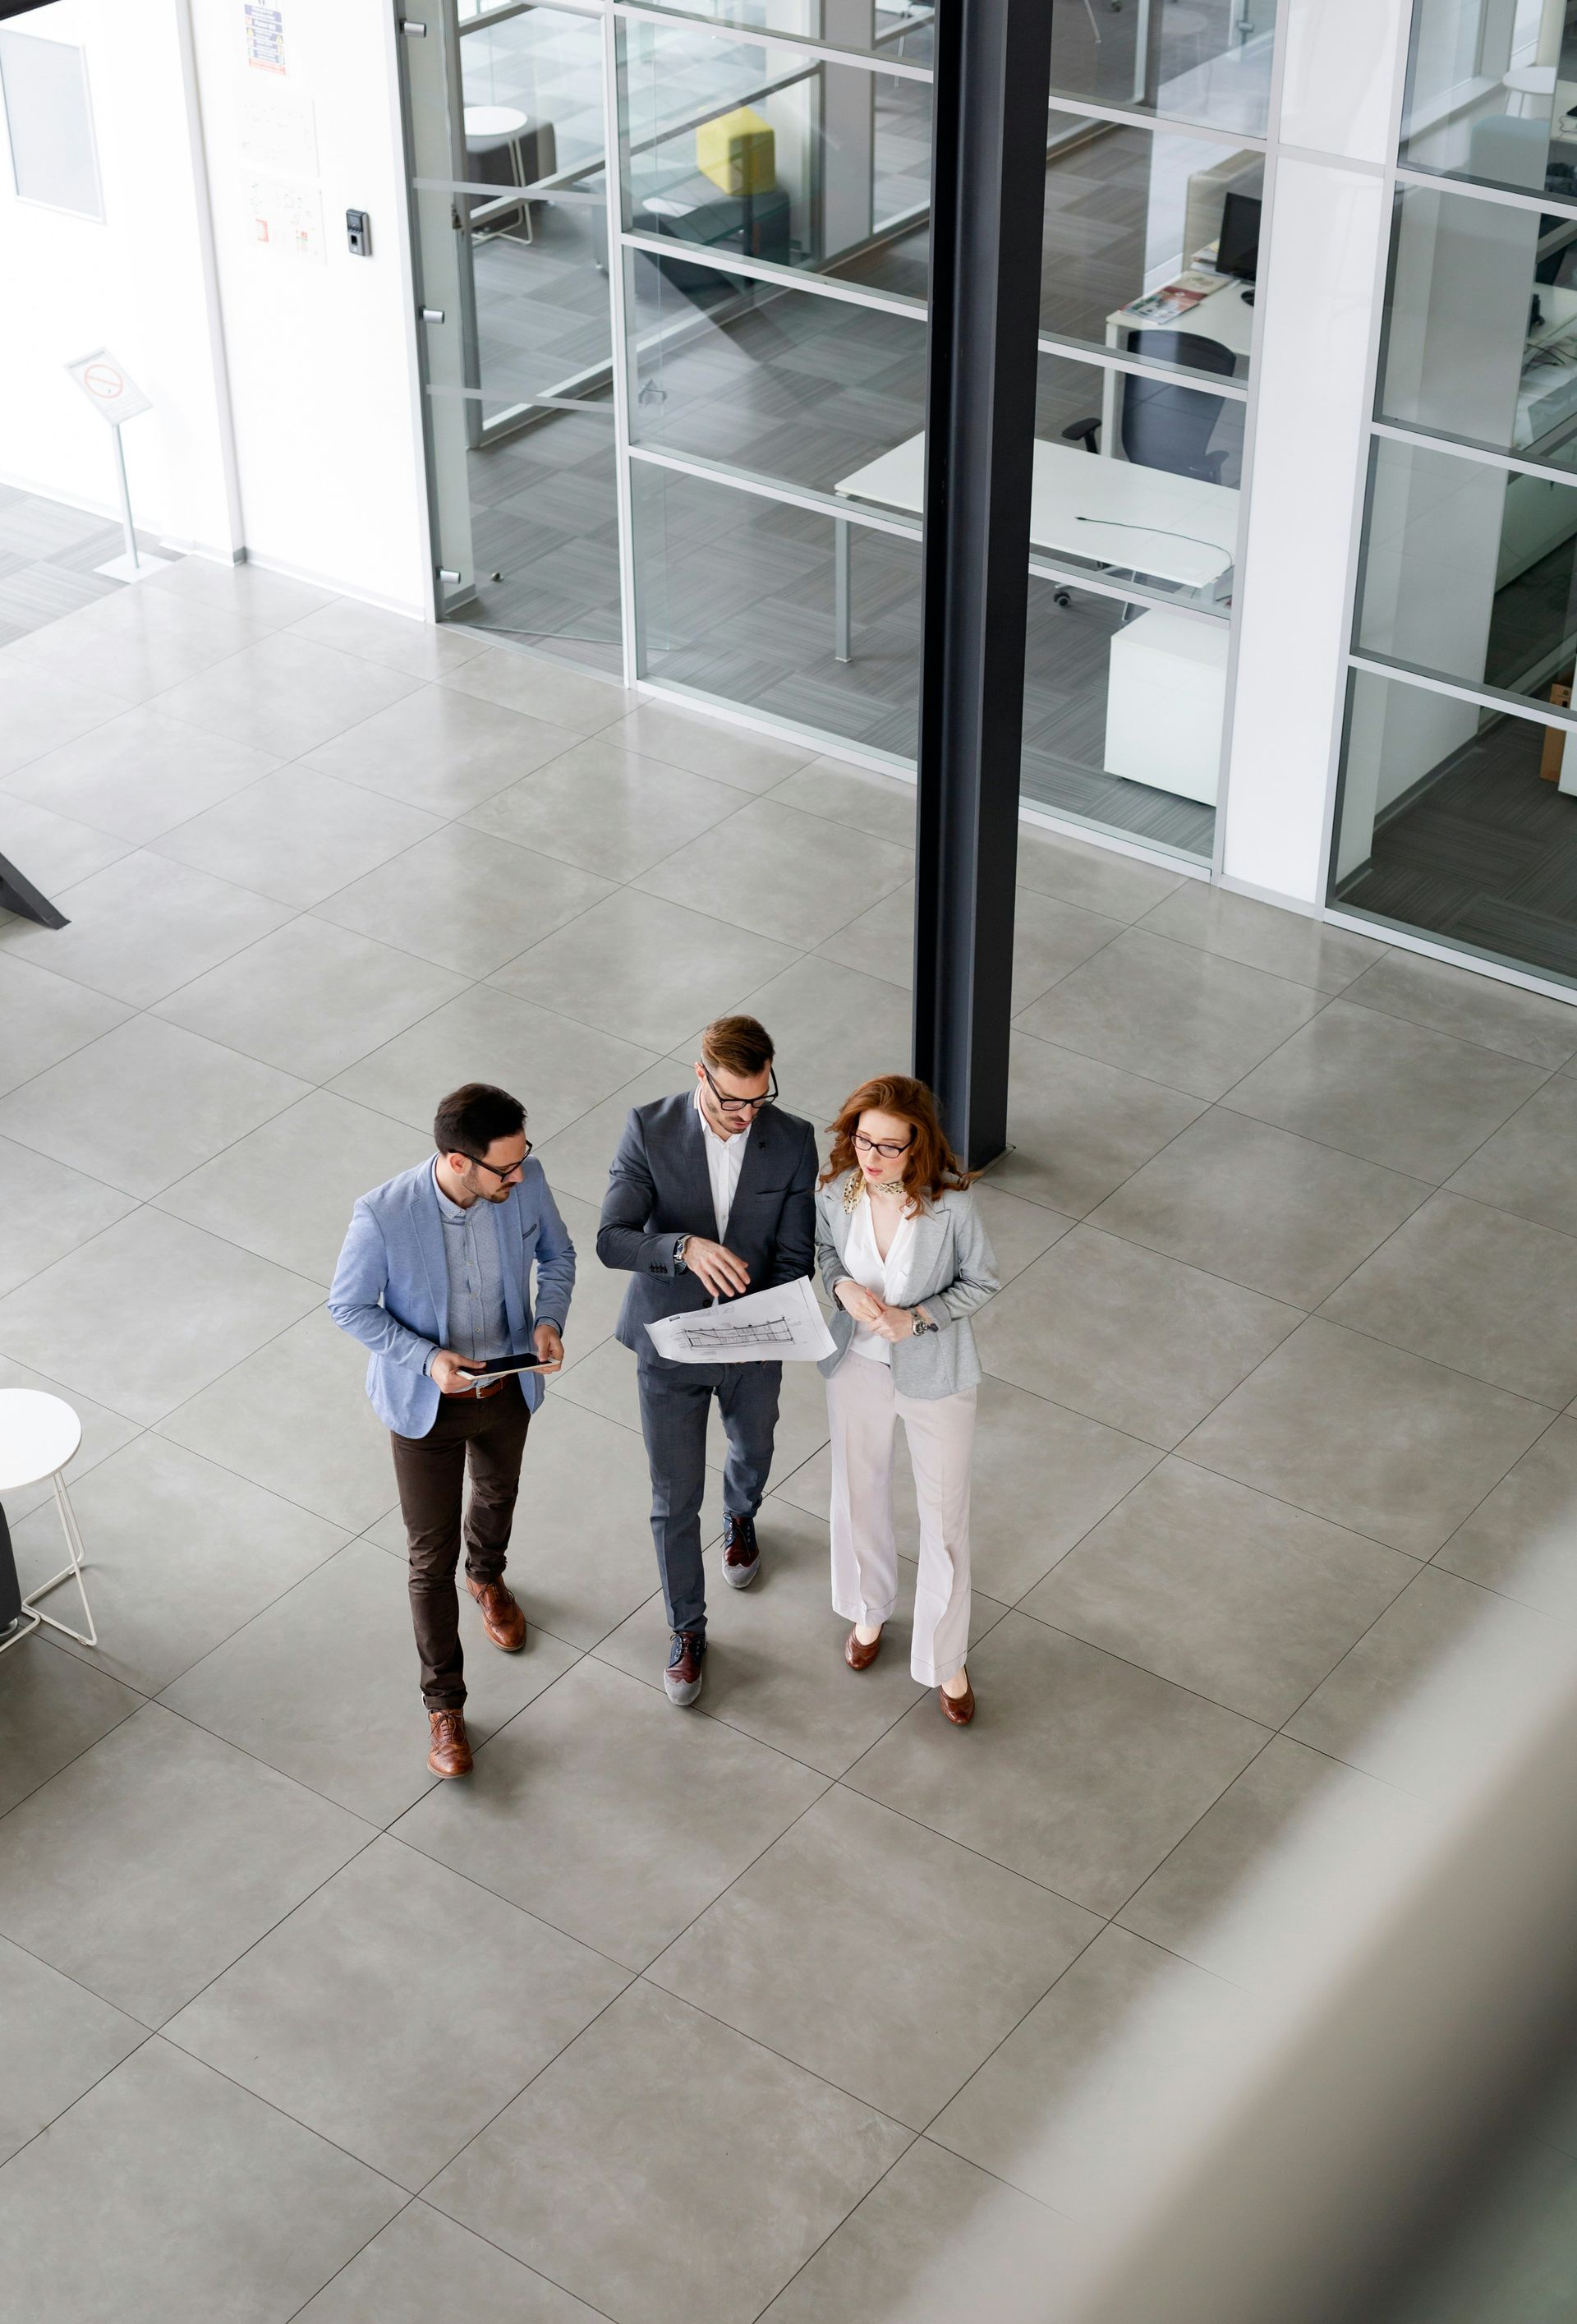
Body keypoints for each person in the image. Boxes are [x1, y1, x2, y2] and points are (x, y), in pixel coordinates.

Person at [329, 1083, 574, 1779]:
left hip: (508, 1384)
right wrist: (426, 1357)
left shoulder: (525, 1179)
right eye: (505, 1166)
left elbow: (558, 1255)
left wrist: (548, 1319)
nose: (519, 1175)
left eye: (523, 1157)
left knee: (498, 1494)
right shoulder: (383, 1214)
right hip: (426, 1405)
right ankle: (445, 1705)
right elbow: (348, 1306)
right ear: (458, 1160)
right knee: (428, 1557)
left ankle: (487, 1576)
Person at [597, 1015, 816, 1707]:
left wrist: (766, 1322)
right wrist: (683, 1247)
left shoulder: (793, 1140)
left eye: (760, 1098)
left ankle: (742, 1512)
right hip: (668, 1346)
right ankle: (687, 1629)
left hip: (755, 1343)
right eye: (732, 1101)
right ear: (701, 1075)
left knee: (755, 1446)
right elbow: (612, 1238)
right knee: (674, 1498)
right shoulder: (649, 1129)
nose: (747, 1114)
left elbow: (794, 1255)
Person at [814, 1075, 999, 1724]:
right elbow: (825, 1253)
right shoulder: (837, 1189)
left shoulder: (951, 1204)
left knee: (943, 1518)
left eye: (889, 1146)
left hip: (937, 1373)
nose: (873, 1156)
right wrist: (840, 1289)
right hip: (855, 1365)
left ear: (917, 1145)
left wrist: (915, 1319)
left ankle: (946, 1658)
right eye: (864, 1140)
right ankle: (869, 1609)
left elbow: (982, 1280)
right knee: (857, 1491)